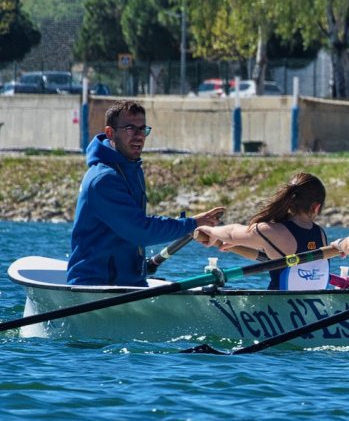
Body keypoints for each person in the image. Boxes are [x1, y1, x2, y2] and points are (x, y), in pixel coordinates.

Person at [67, 99, 225, 286]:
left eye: (143, 129)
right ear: (110, 133)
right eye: (130, 129)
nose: (139, 136)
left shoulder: (132, 169)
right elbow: (140, 231)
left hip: (129, 284)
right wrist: (191, 223)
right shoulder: (103, 180)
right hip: (95, 287)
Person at [194, 173, 330, 291]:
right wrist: (237, 243)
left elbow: (232, 232)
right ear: (316, 208)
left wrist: (211, 231)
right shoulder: (321, 234)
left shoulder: (271, 231)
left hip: (276, 311)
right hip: (315, 309)